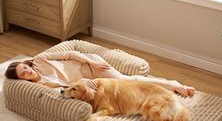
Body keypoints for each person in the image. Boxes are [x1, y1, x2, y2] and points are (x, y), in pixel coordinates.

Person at [5, 51, 195, 97]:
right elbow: (66, 88)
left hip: (91, 65)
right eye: (23, 75)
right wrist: (87, 84)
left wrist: (92, 61)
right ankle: (163, 90)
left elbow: (71, 53)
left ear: (25, 63)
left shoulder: (40, 60)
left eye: (25, 68)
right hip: (89, 80)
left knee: (127, 81)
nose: (27, 72)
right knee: (125, 92)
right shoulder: (41, 86)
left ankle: (173, 85)